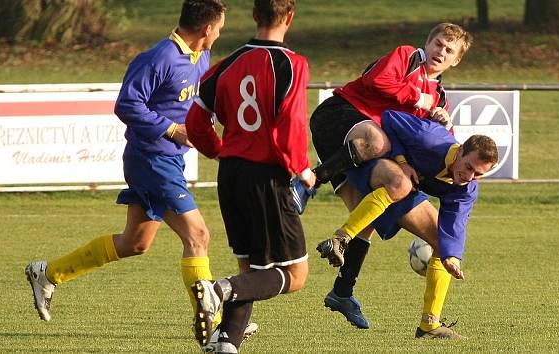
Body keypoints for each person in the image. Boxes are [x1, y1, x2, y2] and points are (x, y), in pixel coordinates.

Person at [25, 0, 227, 332]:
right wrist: (172, 129)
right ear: (207, 29)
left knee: (135, 243)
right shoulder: (158, 58)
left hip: (169, 161)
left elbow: (196, 101)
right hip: (150, 160)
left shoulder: (200, 56)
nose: (220, 33)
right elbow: (127, 104)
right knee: (198, 235)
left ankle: (47, 273)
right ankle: (214, 327)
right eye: (219, 28)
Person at [306, 23, 473, 333]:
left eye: (449, 50)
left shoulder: (440, 98)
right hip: (366, 146)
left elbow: (434, 144)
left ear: (456, 60)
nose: (441, 52)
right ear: (428, 42)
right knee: (394, 186)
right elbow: (378, 83)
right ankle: (318, 204)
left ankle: (425, 322)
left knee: (438, 237)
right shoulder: (408, 58)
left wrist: (444, 123)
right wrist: (418, 101)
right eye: (438, 44)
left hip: (383, 157)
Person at [185, 1, 315, 352]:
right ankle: (218, 289)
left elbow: (197, 124)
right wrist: (301, 167)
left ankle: (227, 341)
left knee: (252, 268)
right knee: (295, 276)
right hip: (265, 176)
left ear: (255, 16)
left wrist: (219, 151)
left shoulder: (224, 67)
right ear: (289, 18)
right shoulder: (291, 64)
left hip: (231, 174)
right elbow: (291, 122)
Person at [317, 110, 498, 338]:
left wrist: (453, 257)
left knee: (442, 245)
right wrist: (402, 161)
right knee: (400, 185)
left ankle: (426, 323)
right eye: (469, 167)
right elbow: (390, 118)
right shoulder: (430, 137)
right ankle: (340, 239)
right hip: (368, 164)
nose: (469, 176)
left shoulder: (466, 188)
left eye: (478, 174)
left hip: (394, 185)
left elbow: (456, 224)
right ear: (460, 150)